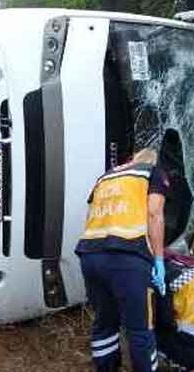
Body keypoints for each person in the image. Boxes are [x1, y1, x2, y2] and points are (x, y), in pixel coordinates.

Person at [75, 148, 171, 372]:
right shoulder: (153, 173)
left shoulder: (106, 177)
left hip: (90, 254)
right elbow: (154, 214)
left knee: (104, 324)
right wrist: (158, 259)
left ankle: (106, 368)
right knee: (139, 328)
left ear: (133, 160)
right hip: (128, 257)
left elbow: (90, 213)